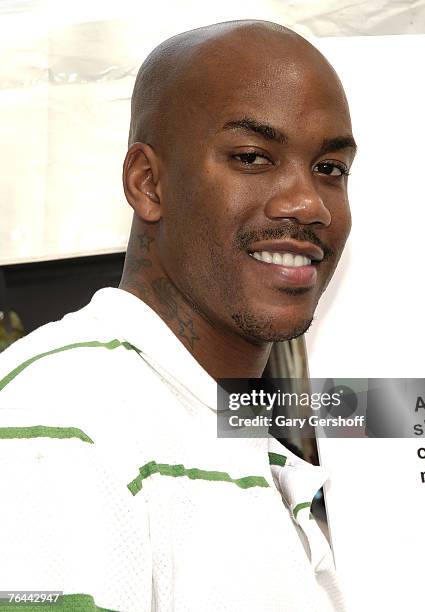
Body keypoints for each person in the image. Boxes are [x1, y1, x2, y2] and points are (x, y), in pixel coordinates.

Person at [0, 19, 356, 612]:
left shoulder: (229, 428)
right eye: (252, 157)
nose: (308, 202)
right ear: (148, 183)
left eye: (330, 169)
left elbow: (411, 411)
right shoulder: (62, 415)